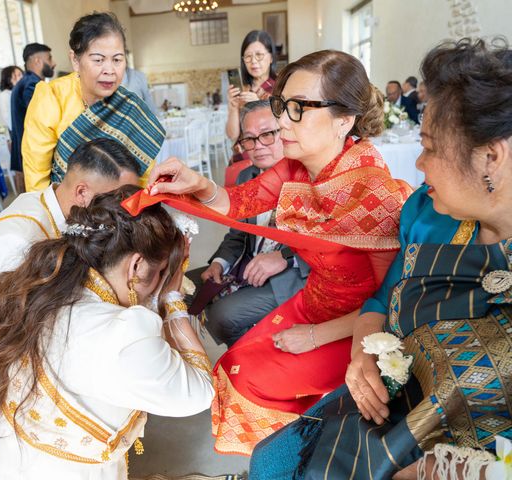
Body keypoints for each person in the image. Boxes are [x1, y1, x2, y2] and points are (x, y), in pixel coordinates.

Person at [249, 37, 512, 480]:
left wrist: (440, 471)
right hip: (387, 402)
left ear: (491, 157)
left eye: (429, 147)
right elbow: (382, 299)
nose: (420, 165)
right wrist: (363, 353)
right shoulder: (426, 214)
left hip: (466, 454)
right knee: (269, 460)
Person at [147, 50, 413, 455]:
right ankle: (285, 457)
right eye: (281, 106)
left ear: (345, 120)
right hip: (312, 302)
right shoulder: (298, 166)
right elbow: (236, 203)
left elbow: (392, 300)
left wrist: (313, 336)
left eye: (299, 109)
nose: (282, 121)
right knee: (232, 364)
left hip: (357, 327)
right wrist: (194, 181)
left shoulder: (369, 192)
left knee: (249, 378)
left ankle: (300, 456)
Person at [0, 185, 214, 479]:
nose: (162, 281)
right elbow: (200, 392)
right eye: (162, 271)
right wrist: (172, 301)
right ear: (136, 265)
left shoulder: (36, 284)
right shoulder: (125, 333)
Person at [0, 138, 140, 315]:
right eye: (118, 200)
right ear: (81, 192)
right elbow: (0, 325)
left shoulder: (69, 211)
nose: (125, 211)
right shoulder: (16, 240)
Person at [187, 100, 309, 347]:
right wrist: (220, 263)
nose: (258, 146)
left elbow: (330, 241)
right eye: (249, 139)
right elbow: (238, 234)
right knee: (183, 288)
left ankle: (253, 360)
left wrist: (284, 257)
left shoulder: (307, 176)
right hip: (247, 264)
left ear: (284, 131)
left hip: (295, 274)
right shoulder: (246, 176)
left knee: (223, 315)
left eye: (267, 134)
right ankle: (244, 350)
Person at [22, 12, 164, 192]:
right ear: (75, 60)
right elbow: (37, 180)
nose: (110, 70)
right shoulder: (51, 98)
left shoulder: (128, 106)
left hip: (120, 208)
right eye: (98, 60)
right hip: (65, 211)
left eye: (117, 60)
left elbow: (143, 178)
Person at [226, 30, 277, 165]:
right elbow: (232, 135)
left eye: (259, 55)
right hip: (242, 159)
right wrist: (232, 108)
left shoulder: (282, 88)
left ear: (271, 57)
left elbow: (285, 127)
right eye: (248, 57)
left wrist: (258, 104)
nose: (253, 61)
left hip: (270, 158)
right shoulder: (242, 90)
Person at [10, 43, 56, 194]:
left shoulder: (24, 83)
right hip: (34, 154)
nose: (53, 63)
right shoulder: (32, 85)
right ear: (37, 61)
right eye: (49, 58)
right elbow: (43, 118)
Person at [0, 65, 23, 131]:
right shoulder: (5, 95)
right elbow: (8, 118)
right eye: (17, 76)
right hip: (20, 131)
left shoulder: (24, 91)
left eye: (21, 74)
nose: (21, 77)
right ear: (9, 79)